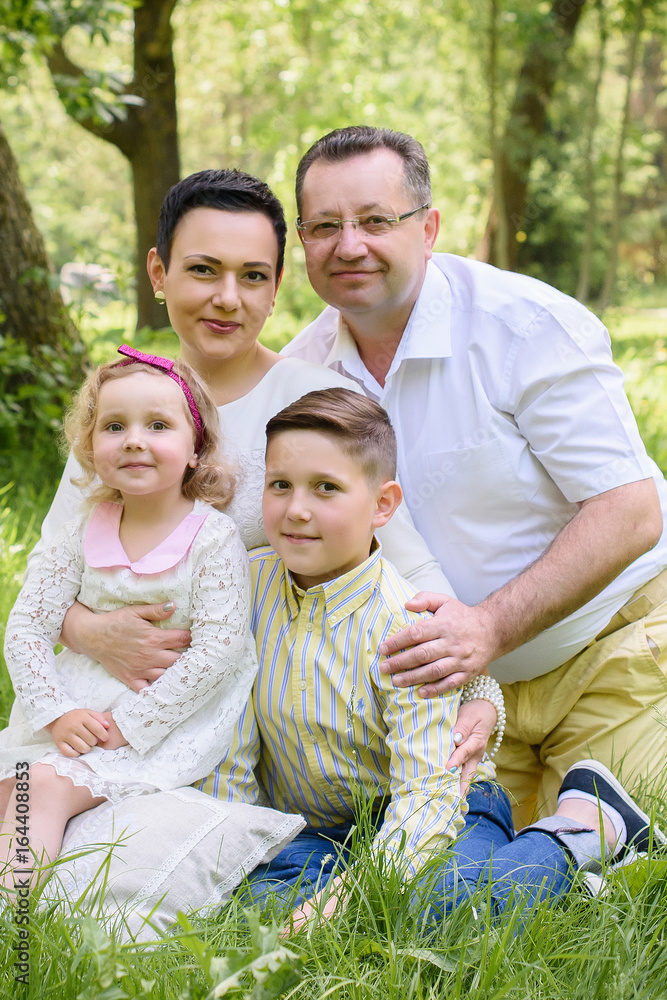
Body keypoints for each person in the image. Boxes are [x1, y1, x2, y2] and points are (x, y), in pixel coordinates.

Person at [27, 168, 496, 779]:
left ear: (277, 288)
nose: (229, 298)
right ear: (158, 273)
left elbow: (406, 566)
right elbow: (49, 571)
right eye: (203, 270)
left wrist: (478, 684)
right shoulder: (129, 414)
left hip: (281, 726)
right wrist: (90, 631)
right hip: (116, 710)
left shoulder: (312, 400)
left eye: (252, 276)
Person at [281, 125, 667, 826]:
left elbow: (631, 508)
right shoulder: (303, 377)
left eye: (375, 221)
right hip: (461, 693)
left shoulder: (523, 326)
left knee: (615, 858)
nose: (348, 245)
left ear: (426, 228)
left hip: (610, 650)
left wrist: (487, 625)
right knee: (468, 876)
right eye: (324, 226)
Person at [203, 389, 664, 930]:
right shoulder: (244, 586)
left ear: (382, 504)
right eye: (281, 485)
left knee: (437, 910)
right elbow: (228, 738)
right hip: (319, 830)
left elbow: (426, 799)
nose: (297, 509)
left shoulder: (407, 626)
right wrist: (230, 846)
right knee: (251, 905)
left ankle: (582, 827)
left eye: (326, 488)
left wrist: (344, 899)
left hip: (448, 808)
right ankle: (529, 883)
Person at [0, 348, 257, 881]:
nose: (135, 439)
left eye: (158, 425)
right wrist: (53, 711)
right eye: (114, 426)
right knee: (11, 784)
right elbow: (26, 626)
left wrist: (130, 724)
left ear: (195, 449)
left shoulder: (211, 538)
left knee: (39, 789)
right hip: (74, 708)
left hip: (160, 718)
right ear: (91, 448)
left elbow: (219, 651)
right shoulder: (84, 528)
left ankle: (16, 920)